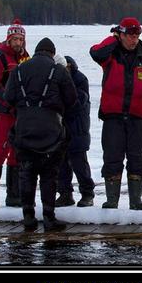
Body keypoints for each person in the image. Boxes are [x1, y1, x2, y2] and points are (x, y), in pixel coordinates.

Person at [89, 17, 142, 210]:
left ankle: (136, 200)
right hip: (113, 116)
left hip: (136, 117)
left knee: (137, 157)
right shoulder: (111, 54)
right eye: (130, 36)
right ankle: (112, 200)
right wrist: (113, 39)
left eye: (137, 36)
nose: (134, 40)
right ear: (121, 35)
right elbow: (95, 52)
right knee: (112, 157)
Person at [4, 38, 77, 230]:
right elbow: (72, 98)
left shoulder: (18, 70)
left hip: (24, 128)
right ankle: (48, 216)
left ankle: (28, 215)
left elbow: (8, 97)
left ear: (36, 52)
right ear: (52, 53)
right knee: (48, 175)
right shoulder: (58, 70)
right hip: (51, 130)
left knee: (26, 173)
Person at [0, 18, 30, 209]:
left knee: (17, 151)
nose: (18, 43)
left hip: (20, 112)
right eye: (15, 39)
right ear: (8, 39)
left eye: (20, 39)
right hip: (3, 112)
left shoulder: (25, 57)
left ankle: (14, 195)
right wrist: (8, 102)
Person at [53, 55, 96, 208]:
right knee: (61, 163)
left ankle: (87, 193)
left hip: (78, 128)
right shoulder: (54, 79)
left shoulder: (79, 79)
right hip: (60, 128)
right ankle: (65, 194)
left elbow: (78, 102)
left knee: (79, 163)